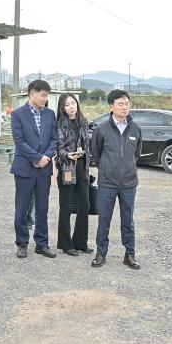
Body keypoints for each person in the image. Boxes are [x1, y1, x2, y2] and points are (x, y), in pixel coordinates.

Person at [91, 89, 142, 270]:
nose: (124, 107)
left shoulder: (135, 129)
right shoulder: (101, 129)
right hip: (107, 183)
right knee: (104, 220)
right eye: (120, 104)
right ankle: (101, 253)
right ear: (111, 106)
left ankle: (130, 255)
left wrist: (126, 168)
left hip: (129, 183)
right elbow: (96, 154)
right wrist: (108, 169)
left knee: (128, 220)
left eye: (127, 103)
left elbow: (136, 154)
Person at [11, 80, 58, 259]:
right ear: (32, 94)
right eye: (43, 95)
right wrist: (37, 158)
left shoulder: (49, 114)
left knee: (42, 208)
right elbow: (19, 141)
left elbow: (54, 139)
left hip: (44, 169)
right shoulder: (18, 114)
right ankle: (22, 243)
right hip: (24, 168)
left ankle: (42, 244)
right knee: (22, 208)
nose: (45, 99)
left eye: (47, 95)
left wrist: (45, 157)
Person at [55, 93, 94, 256]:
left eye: (73, 103)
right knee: (66, 206)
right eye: (67, 104)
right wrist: (67, 155)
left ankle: (80, 242)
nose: (71, 107)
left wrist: (88, 163)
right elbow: (59, 148)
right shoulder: (60, 125)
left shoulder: (83, 122)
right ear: (62, 108)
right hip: (67, 167)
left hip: (82, 166)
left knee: (85, 204)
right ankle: (65, 244)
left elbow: (87, 145)